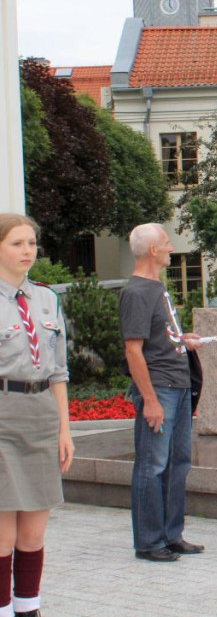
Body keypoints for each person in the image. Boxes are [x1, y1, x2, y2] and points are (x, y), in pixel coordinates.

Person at [0, 214, 73, 617]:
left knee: (33, 532)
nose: (27, 251)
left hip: (42, 416)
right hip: (2, 418)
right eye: (16, 243)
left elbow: (59, 371)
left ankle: (28, 607)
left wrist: (65, 429)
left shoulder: (47, 298)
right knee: (2, 536)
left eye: (31, 243)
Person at [119, 223, 204, 562]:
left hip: (179, 386)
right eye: (167, 244)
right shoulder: (137, 292)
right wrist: (150, 400)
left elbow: (158, 338)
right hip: (161, 390)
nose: (171, 248)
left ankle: (171, 535)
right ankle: (150, 542)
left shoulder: (157, 289)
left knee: (178, 464)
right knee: (152, 465)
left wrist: (184, 341)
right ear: (153, 250)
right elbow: (133, 351)